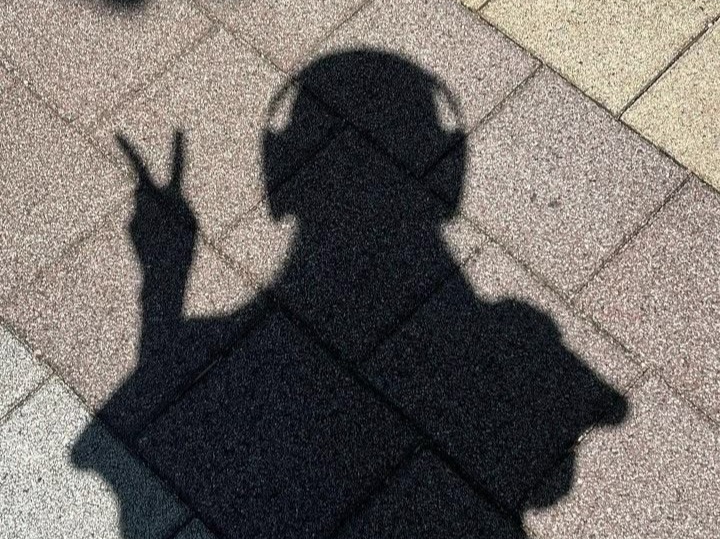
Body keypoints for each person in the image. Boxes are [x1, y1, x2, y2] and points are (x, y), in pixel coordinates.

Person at [72, 49, 627, 538]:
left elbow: (112, 442)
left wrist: (165, 276)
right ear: (448, 176)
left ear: (279, 174)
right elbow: (578, 443)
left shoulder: (210, 351)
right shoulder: (515, 336)